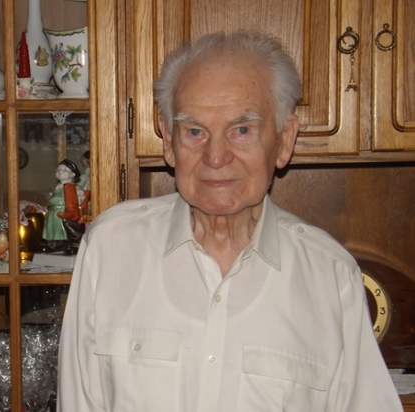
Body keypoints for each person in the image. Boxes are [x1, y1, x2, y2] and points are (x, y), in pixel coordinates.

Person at [57, 31, 402, 411]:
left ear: (284, 140)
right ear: (168, 140)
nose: (216, 157)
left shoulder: (330, 277)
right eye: (195, 132)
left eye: (241, 130)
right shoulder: (110, 249)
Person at [42, 159, 85, 244]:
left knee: (61, 230)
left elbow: (78, 201)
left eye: (65, 170)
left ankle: (63, 243)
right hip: (52, 213)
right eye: (58, 170)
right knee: (51, 229)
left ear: (72, 174)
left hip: (63, 213)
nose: (60, 171)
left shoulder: (74, 188)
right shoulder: (57, 187)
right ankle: (52, 243)